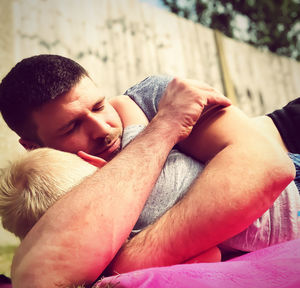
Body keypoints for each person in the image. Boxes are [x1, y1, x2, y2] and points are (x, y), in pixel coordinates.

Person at [0, 55, 295, 287]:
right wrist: (165, 127)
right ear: (32, 146)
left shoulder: (153, 99)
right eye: (71, 127)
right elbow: (39, 275)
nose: (103, 130)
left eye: (100, 106)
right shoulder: (49, 198)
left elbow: (269, 166)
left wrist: (130, 258)